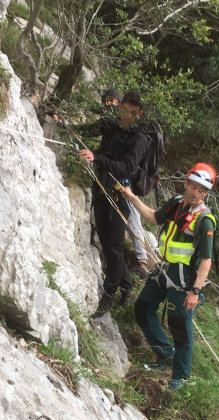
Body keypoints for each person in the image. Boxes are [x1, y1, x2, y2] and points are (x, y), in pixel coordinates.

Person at [119, 163, 217, 391]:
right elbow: (153, 217)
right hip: (164, 268)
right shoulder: (176, 204)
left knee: (180, 326)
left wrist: (196, 291)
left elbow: (206, 260)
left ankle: (180, 378)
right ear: (186, 183)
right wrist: (131, 197)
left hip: (184, 279)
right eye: (193, 186)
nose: (196, 192)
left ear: (206, 193)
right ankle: (164, 354)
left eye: (201, 190)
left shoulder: (205, 220)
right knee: (142, 308)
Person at [79, 91, 150, 318]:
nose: (127, 115)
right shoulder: (111, 125)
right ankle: (127, 286)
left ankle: (109, 294)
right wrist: (63, 123)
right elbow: (90, 131)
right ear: (120, 107)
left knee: (114, 246)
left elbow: (128, 168)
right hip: (102, 187)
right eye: (124, 110)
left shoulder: (139, 137)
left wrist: (96, 158)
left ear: (139, 113)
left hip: (120, 194)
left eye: (132, 112)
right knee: (107, 241)